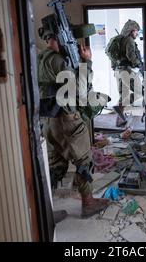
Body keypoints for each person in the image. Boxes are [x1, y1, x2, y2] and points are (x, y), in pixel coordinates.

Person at [37, 19, 109, 220]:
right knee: (83, 161)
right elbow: (80, 90)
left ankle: (46, 212)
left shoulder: (40, 57)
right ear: (59, 38)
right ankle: (88, 203)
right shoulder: (59, 61)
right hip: (67, 121)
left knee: (55, 166)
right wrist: (87, 62)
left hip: (48, 122)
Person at [105, 19, 144, 127]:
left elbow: (113, 58)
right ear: (131, 31)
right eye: (136, 31)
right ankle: (119, 110)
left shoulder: (119, 40)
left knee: (124, 97)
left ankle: (120, 120)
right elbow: (131, 56)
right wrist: (139, 64)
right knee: (139, 92)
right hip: (126, 71)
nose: (137, 33)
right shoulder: (129, 40)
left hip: (119, 71)